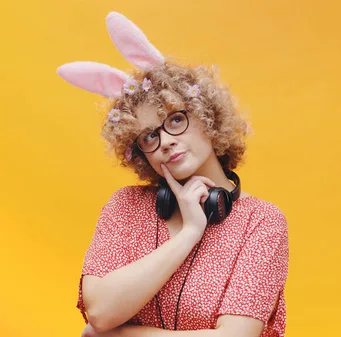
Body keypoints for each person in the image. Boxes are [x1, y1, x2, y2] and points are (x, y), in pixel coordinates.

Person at [57, 11, 289, 337]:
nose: (165, 141)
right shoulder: (125, 207)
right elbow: (100, 310)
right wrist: (189, 233)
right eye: (149, 136)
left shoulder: (262, 221)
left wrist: (116, 334)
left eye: (176, 120)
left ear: (208, 117)